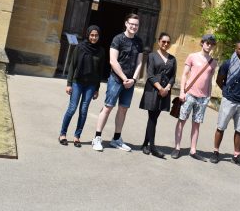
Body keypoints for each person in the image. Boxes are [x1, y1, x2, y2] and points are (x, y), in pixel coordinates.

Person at [92, 14, 144, 152]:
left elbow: (139, 62)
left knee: (123, 109)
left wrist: (133, 79)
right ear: (126, 24)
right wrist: (124, 78)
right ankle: (97, 138)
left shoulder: (139, 42)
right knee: (108, 107)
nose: (133, 26)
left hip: (130, 82)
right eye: (131, 24)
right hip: (116, 80)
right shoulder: (118, 39)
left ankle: (116, 139)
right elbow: (113, 61)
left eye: (136, 25)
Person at [211, 40, 240, 168]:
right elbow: (220, 80)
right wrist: (226, 92)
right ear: (235, 49)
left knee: (239, 130)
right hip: (229, 100)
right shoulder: (227, 63)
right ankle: (215, 152)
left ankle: (236, 156)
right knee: (221, 127)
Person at [171, 34, 218, 161]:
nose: (209, 45)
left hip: (203, 98)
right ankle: (177, 147)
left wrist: (208, 95)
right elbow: (185, 74)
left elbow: (209, 80)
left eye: (212, 44)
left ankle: (193, 150)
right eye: (207, 42)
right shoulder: (192, 56)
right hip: (189, 94)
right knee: (182, 120)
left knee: (196, 124)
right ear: (202, 43)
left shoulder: (213, 63)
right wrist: (182, 92)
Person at [59, 25, 105, 147]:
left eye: (96, 35)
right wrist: (69, 84)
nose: (94, 37)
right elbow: (72, 65)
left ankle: (77, 136)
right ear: (88, 35)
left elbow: (100, 72)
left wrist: (97, 89)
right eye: (92, 35)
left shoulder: (101, 51)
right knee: (72, 108)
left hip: (91, 85)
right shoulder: (80, 47)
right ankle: (63, 134)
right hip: (77, 82)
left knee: (83, 110)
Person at [139, 32, 176, 158]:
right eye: (163, 41)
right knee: (152, 118)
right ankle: (152, 147)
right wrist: (160, 88)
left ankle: (145, 144)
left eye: (168, 42)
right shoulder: (152, 56)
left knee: (154, 118)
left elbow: (173, 77)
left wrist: (167, 88)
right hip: (154, 90)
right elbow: (150, 74)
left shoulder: (172, 59)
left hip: (165, 91)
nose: (166, 44)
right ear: (159, 41)